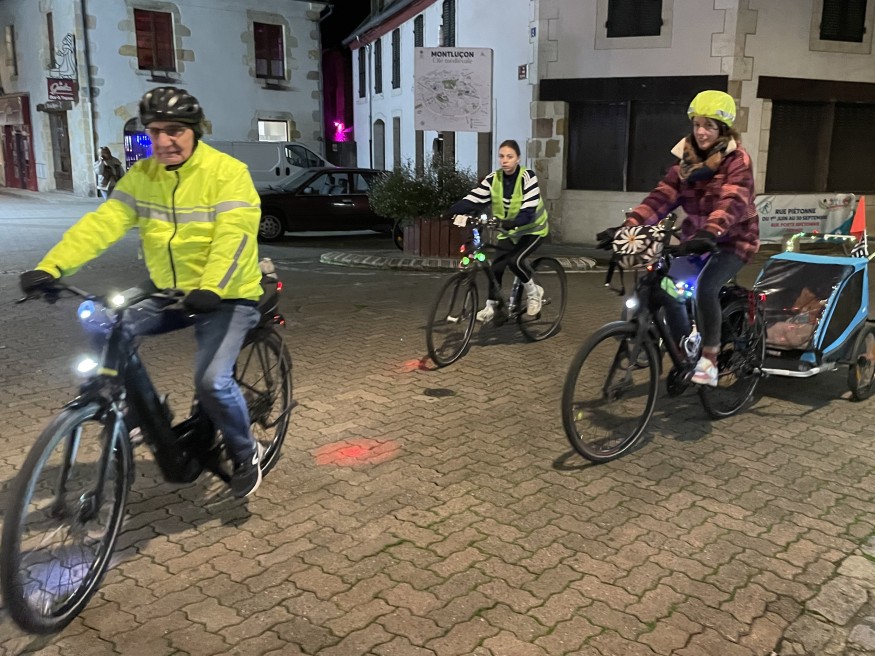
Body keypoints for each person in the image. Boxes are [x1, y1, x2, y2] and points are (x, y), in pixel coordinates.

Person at [20, 86, 266, 498]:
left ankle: (246, 453)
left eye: (175, 131)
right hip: (169, 290)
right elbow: (102, 224)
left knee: (211, 381)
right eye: (155, 131)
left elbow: (235, 236)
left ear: (195, 130)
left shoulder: (227, 173)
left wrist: (213, 285)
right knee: (101, 322)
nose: (164, 141)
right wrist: (52, 266)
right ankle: (142, 414)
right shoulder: (143, 176)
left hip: (225, 294)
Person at [623, 90, 760, 386]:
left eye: (709, 125)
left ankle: (709, 359)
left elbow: (732, 201)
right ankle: (685, 349)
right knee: (665, 285)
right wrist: (629, 225)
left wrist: (711, 231)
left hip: (734, 240)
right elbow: (662, 197)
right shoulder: (684, 163)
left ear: (723, 129)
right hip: (696, 240)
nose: (701, 132)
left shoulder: (737, 161)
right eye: (697, 124)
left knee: (706, 288)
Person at [450, 139, 549, 322]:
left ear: (518, 158)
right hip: (509, 231)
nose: (505, 160)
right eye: (501, 156)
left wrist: (515, 222)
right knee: (496, 265)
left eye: (509, 156)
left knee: (515, 261)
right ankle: (491, 305)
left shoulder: (527, 177)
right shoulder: (493, 178)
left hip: (533, 230)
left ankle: (534, 293)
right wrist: (450, 211)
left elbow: (529, 209)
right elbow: (474, 198)